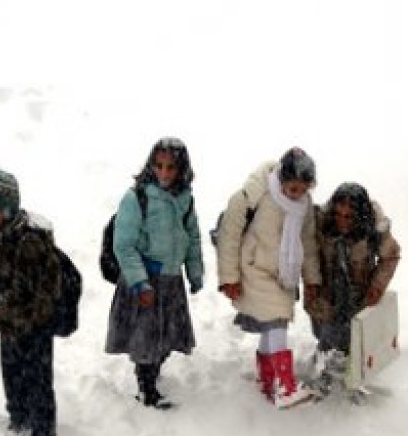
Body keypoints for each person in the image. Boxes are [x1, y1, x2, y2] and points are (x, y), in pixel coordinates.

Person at [216, 147, 322, 408]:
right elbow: (230, 230)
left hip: (284, 272)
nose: (296, 193)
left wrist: (312, 280)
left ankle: (266, 381)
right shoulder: (258, 191)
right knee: (277, 320)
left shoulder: (304, 206)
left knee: (271, 321)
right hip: (254, 268)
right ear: (282, 179)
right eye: (291, 187)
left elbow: (307, 243)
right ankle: (285, 387)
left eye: (302, 188)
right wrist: (229, 276)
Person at [105, 137, 205, 409]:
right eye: (159, 166)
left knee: (166, 335)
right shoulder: (137, 198)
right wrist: (139, 282)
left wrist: (194, 272)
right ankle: (145, 387)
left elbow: (192, 237)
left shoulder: (185, 200)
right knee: (145, 336)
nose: (164, 173)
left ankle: (153, 373)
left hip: (171, 280)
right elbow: (123, 245)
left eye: (171, 167)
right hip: (145, 280)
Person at [0, 169, 61, 436]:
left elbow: (23, 290)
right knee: (13, 378)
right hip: (10, 325)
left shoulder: (28, 240)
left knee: (36, 379)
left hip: (34, 325)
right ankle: (18, 422)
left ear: (6, 209)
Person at [304, 182, 401, 395]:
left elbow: (391, 256)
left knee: (355, 337)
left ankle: (352, 381)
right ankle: (323, 374)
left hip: (358, 292)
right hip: (328, 291)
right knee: (326, 334)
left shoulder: (375, 228)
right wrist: (312, 281)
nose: (342, 221)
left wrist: (377, 286)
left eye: (349, 216)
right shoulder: (321, 222)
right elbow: (308, 252)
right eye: (338, 214)